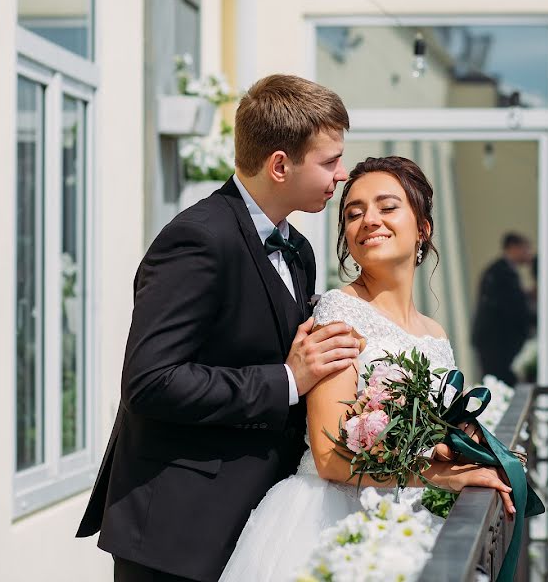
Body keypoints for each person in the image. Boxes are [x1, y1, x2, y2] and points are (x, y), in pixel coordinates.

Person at [76, 74, 364, 582]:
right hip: (177, 532)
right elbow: (150, 381)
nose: (341, 174)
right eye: (329, 160)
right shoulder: (195, 239)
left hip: (260, 526)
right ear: (280, 165)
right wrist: (286, 381)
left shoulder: (299, 249)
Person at [219, 156, 515, 581]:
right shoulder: (340, 314)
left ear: (423, 227)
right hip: (334, 517)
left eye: (387, 207)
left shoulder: (434, 333)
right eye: (353, 213)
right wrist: (440, 475)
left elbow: (434, 433)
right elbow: (328, 456)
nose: (368, 220)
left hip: (413, 519)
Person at [471, 232, 535, 386]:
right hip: (496, 344)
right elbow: (511, 307)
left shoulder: (500, 271)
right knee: (498, 384)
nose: (529, 254)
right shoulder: (501, 272)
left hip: (495, 342)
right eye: (525, 248)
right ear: (513, 248)